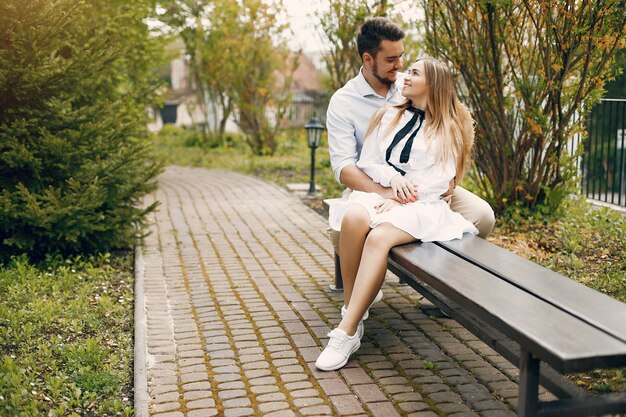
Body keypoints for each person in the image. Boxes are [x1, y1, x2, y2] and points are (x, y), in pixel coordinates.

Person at [316, 56, 478, 371]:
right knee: (353, 217)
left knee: (378, 237)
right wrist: (392, 181)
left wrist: (406, 196)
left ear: (433, 84)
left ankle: (345, 332)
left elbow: (441, 178)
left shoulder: (448, 128)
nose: (405, 75)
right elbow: (370, 160)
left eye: (414, 73)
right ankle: (354, 309)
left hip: (422, 205)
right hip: (387, 192)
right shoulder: (388, 115)